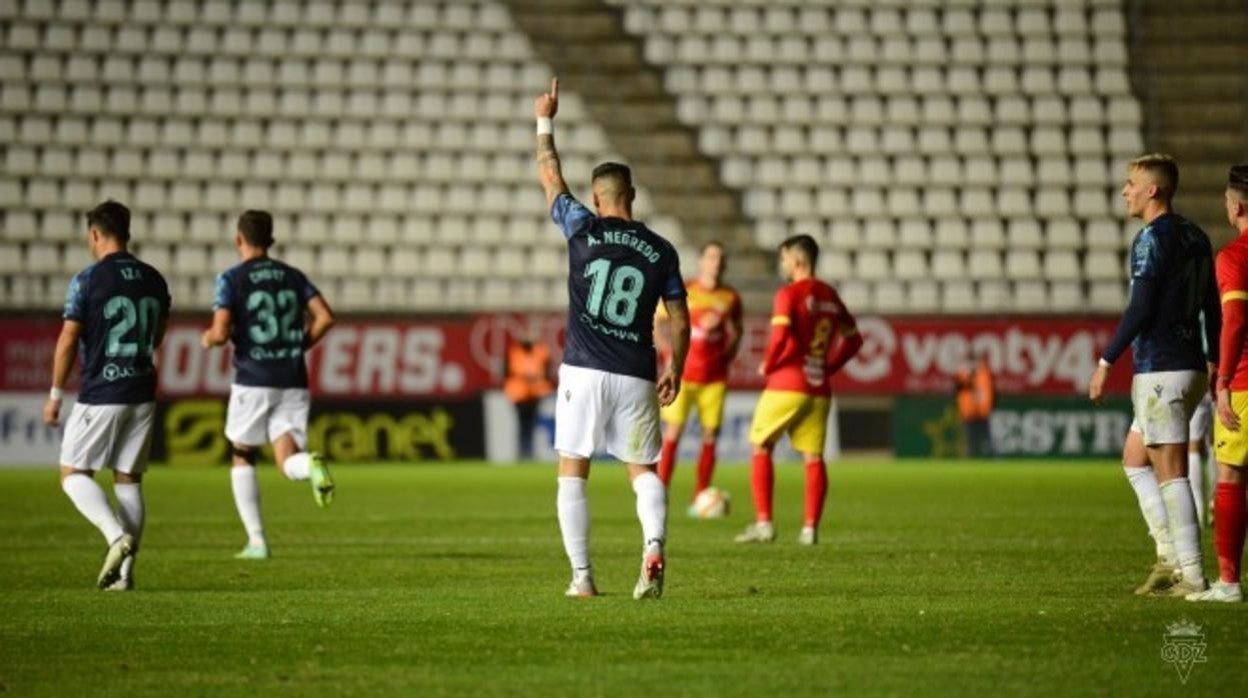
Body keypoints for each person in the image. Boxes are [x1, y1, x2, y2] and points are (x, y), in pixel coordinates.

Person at [534, 78, 691, 599]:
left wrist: (545, 119)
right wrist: (676, 367)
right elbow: (680, 320)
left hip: (583, 367)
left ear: (597, 198)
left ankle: (582, 578)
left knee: (571, 472)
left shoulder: (582, 227)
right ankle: (653, 546)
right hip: (637, 372)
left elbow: (550, 175)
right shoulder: (662, 250)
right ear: (633, 197)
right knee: (643, 470)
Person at [1087, 154, 1220, 597]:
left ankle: (1192, 574)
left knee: (1171, 472)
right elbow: (1212, 307)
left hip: (1162, 368)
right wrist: (1214, 358)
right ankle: (1167, 556)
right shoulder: (1197, 236)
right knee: (1134, 458)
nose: (1125, 191)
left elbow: (1140, 309)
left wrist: (1106, 361)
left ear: (1152, 190)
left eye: (1131, 183)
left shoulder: (1150, 239)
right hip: (1190, 365)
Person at [43, 200, 171, 590]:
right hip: (142, 390)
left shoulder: (87, 279)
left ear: (95, 234)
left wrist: (55, 394)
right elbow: (157, 336)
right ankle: (124, 576)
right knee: (128, 479)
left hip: (102, 391)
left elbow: (68, 340)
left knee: (72, 474)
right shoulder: (154, 278)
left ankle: (116, 537)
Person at [201, 210, 336, 560]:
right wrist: (299, 346)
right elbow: (325, 317)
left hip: (254, 379)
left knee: (243, 453)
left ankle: (257, 541)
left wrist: (209, 338)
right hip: (293, 379)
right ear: (271, 240)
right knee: (286, 459)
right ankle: (310, 465)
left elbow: (220, 331)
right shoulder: (292, 276)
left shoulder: (231, 279)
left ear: (239, 239)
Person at [736, 234, 863, 546]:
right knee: (813, 457)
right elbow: (854, 339)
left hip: (788, 383)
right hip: (819, 387)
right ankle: (810, 529)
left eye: (783, 259)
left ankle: (764, 523)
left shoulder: (789, 293)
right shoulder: (830, 295)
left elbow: (780, 337)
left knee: (761, 445)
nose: (782, 265)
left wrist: (768, 364)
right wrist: (829, 367)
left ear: (796, 260)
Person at [1189, 163, 1248, 603]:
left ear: (1237, 208)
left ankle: (1228, 583)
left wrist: (1223, 380)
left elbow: (1235, 321)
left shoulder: (1233, 257)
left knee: (1230, 474)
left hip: (1245, 383)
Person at [654, 241, 743, 510]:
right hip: (684, 375)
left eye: (721, 258)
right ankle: (660, 493)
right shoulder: (686, 290)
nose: (717, 262)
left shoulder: (730, 297)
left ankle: (700, 497)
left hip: (714, 378)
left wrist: (726, 357)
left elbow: (737, 331)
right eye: (712, 257)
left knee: (710, 434)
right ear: (702, 261)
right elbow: (658, 322)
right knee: (673, 431)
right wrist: (667, 354)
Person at [503, 333, 554, 461]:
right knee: (522, 425)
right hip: (519, 395)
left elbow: (547, 371)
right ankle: (523, 453)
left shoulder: (540, 352)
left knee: (531, 425)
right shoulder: (515, 353)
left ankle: (528, 453)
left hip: (535, 394)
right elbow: (507, 372)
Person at [953, 352, 995, 458]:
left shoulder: (983, 374)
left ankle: (994, 459)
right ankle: (970, 459)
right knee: (970, 441)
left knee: (988, 439)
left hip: (982, 413)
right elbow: (958, 389)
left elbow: (989, 392)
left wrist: (987, 408)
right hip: (969, 413)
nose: (972, 364)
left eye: (974, 362)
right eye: (970, 362)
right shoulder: (962, 375)